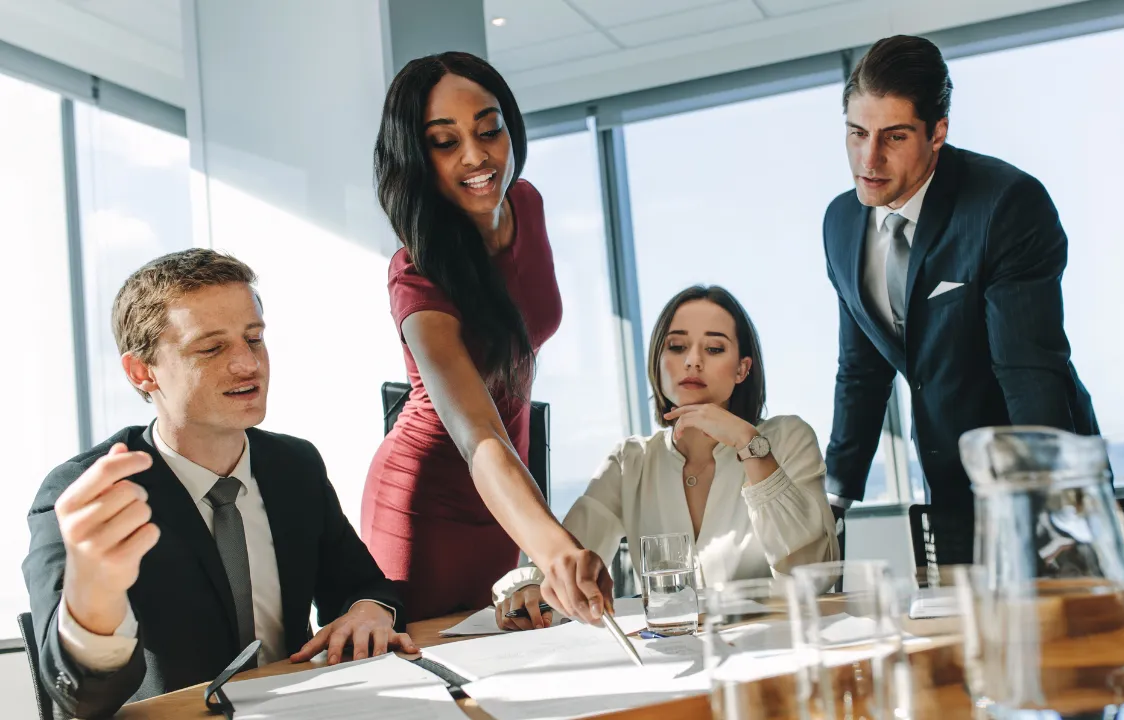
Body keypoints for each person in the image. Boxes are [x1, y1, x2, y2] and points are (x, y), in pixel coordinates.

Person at [24, 249, 414, 719]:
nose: (248, 364)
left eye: (254, 338)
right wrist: (94, 599)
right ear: (142, 372)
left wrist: (370, 609)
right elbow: (79, 700)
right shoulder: (87, 494)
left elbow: (360, 584)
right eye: (211, 348)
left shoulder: (295, 465)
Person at [823, 35, 1101, 559]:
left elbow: (1027, 369)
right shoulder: (840, 222)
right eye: (857, 133)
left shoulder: (1004, 204)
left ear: (937, 133)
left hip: (1037, 474)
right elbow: (861, 370)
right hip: (946, 484)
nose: (869, 158)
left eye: (894, 136)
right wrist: (834, 497)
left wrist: (1052, 507)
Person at [364, 51, 611, 624]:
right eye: (444, 142)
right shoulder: (417, 276)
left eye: (488, 129)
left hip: (504, 499)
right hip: (425, 508)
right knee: (427, 668)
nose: (476, 156)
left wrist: (541, 536)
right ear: (416, 158)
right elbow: (478, 436)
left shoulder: (527, 204)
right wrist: (553, 548)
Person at [494, 286, 838, 630]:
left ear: (742, 369)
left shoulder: (787, 438)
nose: (693, 361)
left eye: (714, 348)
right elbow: (566, 562)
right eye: (676, 347)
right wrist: (531, 588)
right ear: (657, 364)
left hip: (777, 649)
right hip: (669, 654)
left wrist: (748, 444)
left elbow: (815, 577)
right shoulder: (630, 462)